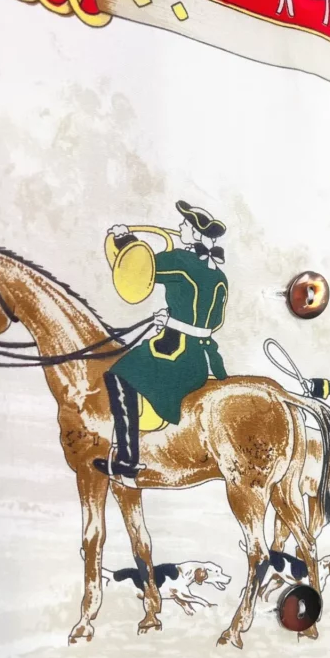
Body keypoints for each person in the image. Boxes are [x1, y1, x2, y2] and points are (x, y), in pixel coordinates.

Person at [93, 201, 229, 480]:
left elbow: (140, 269)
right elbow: (214, 322)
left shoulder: (180, 261)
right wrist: (175, 318)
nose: (179, 227)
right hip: (203, 358)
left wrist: (125, 239)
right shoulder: (220, 276)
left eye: (185, 224)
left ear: (195, 233)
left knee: (119, 374)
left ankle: (128, 460)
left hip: (174, 353)